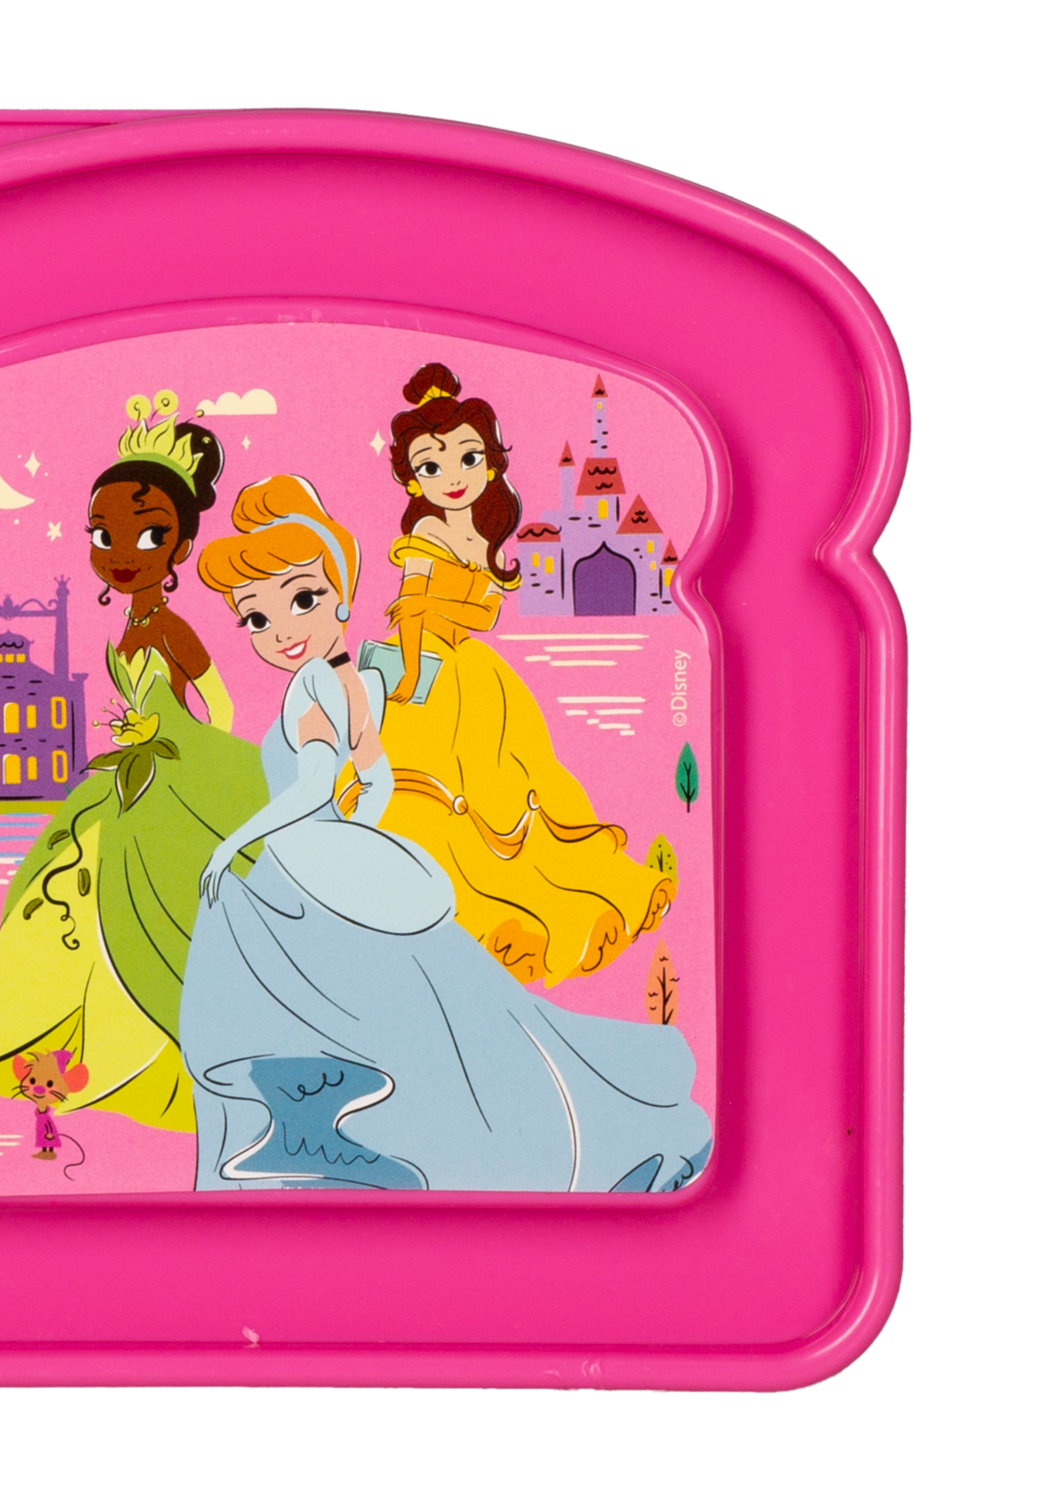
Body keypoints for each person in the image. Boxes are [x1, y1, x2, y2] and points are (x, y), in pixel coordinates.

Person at [182, 475, 711, 1191]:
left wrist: (236, 844)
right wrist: (358, 846)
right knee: (441, 1029)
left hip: (303, 876)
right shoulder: (359, 683)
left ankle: (318, 1141)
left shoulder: (313, 687)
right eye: (255, 617)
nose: (281, 630)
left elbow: (311, 789)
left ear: (341, 593)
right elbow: (375, 783)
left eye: (302, 599)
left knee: (237, 954)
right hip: (335, 872)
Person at [0, 393, 268, 1133]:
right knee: (54, 888)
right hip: (126, 778)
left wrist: (180, 750)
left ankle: (124, 1044)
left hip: (167, 777)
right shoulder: (132, 624)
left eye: (148, 535)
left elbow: (221, 705)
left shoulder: (171, 628)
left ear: (179, 549)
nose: (121, 552)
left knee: (134, 907)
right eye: (103, 533)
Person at [376, 362, 674, 987]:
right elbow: (410, 609)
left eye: (466, 459)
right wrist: (406, 681)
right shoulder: (428, 530)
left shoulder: (480, 534)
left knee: (518, 780)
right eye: (430, 466)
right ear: (411, 480)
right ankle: (483, 917)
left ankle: (574, 900)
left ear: (490, 464)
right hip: (423, 671)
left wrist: (455, 610)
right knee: (437, 795)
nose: (450, 478)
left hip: (471, 671)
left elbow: (478, 613)